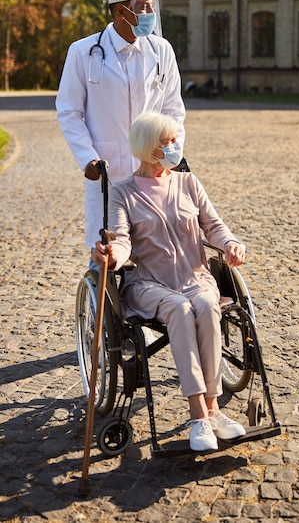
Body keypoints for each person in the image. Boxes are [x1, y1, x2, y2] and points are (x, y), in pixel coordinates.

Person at [92, 112, 247, 451]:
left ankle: (214, 409)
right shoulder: (123, 193)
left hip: (195, 277)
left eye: (176, 140)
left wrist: (231, 243)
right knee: (178, 308)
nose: (176, 147)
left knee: (206, 304)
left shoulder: (188, 183)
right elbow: (121, 241)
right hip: (149, 283)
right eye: (169, 143)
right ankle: (198, 415)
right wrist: (111, 256)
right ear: (149, 149)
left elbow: (214, 226)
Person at [56, 0, 186, 250]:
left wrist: (173, 149)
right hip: (108, 170)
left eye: (151, 7)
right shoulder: (83, 52)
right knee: (108, 249)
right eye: (143, 8)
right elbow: (69, 111)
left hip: (153, 168)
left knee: (157, 247)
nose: (150, 15)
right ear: (120, 12)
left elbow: (173, 107)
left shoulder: (161, 51)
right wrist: (87, 158)